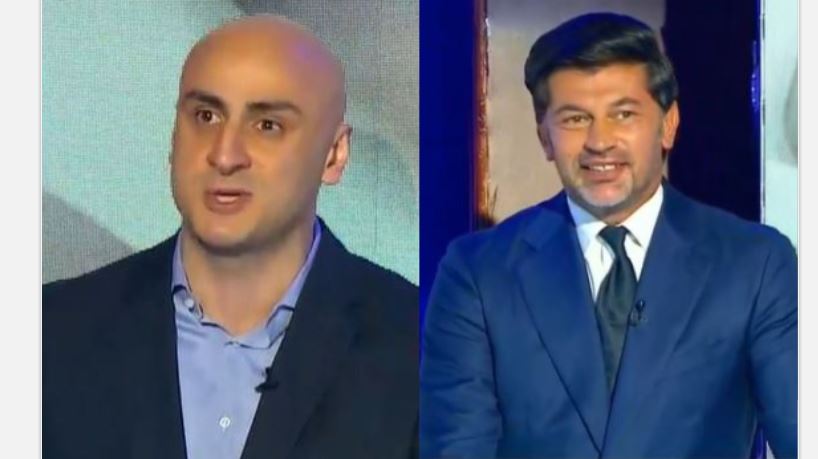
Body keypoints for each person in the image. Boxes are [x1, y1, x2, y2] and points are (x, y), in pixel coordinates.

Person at [420, 12, 796, 459]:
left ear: (668, 124)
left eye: (623, 114)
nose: (600, 141)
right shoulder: (478, 274)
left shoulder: (755, 263)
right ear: (545, 137)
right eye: (575, 119)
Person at [43, 15, 418, 459]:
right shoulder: (50, 334)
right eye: (206, 116)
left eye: (267, 125)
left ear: (334, 155)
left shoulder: (422, 346)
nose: (224, 155)